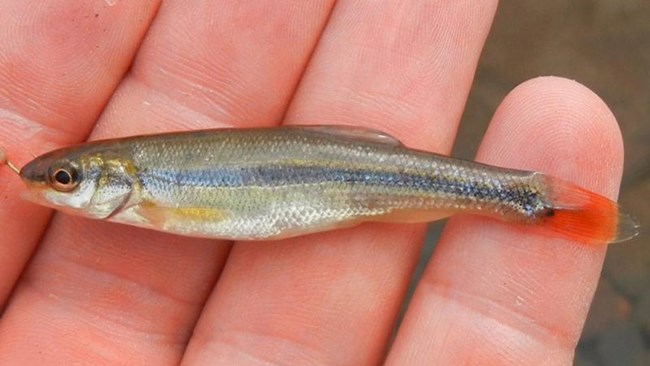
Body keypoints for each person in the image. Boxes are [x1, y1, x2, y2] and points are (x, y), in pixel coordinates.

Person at [0, 1, 625, 364]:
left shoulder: (155, 195)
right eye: (63, 180)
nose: (54, 189)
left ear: (117, 180)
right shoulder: (144, 189)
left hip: (343, 181)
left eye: (63, 180)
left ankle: (523, 197)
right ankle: (523, 198)